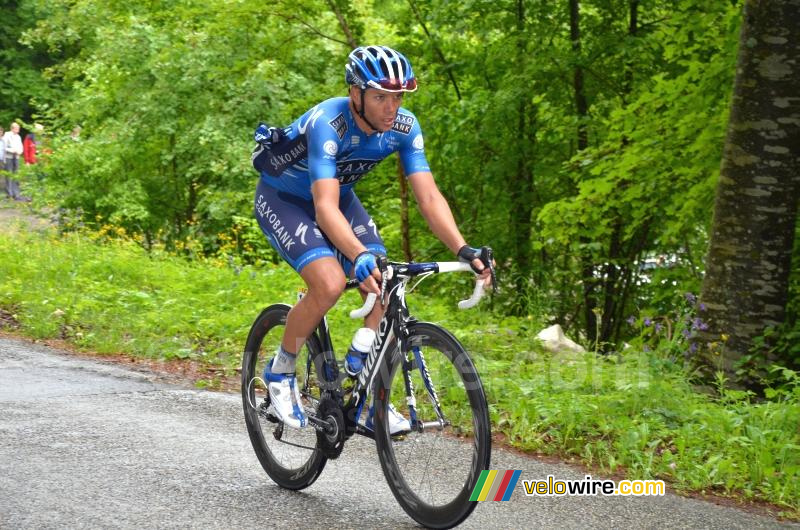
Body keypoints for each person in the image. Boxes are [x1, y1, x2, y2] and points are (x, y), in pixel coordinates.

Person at [251, 45, 492, 431]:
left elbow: (429, 197)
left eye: (397, 97)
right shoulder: (329, 123)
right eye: (380, 96)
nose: (390, 107)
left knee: (383, 280)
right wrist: (357, 253)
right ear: (355, 94)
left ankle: (364, 398)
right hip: (285, 200)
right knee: (329, 284)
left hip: (339, 198)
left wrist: (463, 248)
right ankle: (280, 371)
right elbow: (323, 207)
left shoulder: (404, 127)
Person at [3, 122, 24, 200]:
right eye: (16, 128)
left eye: (18, 128)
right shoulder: (7, 135)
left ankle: (16, 193)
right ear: (12, 128)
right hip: (9, 157)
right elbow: (4, 147)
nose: (18, 130)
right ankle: (9, 193)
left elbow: (21, 146)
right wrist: (13, 150)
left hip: (17, 157)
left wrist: (20, 151)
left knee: (16, 175)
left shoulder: (18, 137)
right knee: (9, 175)